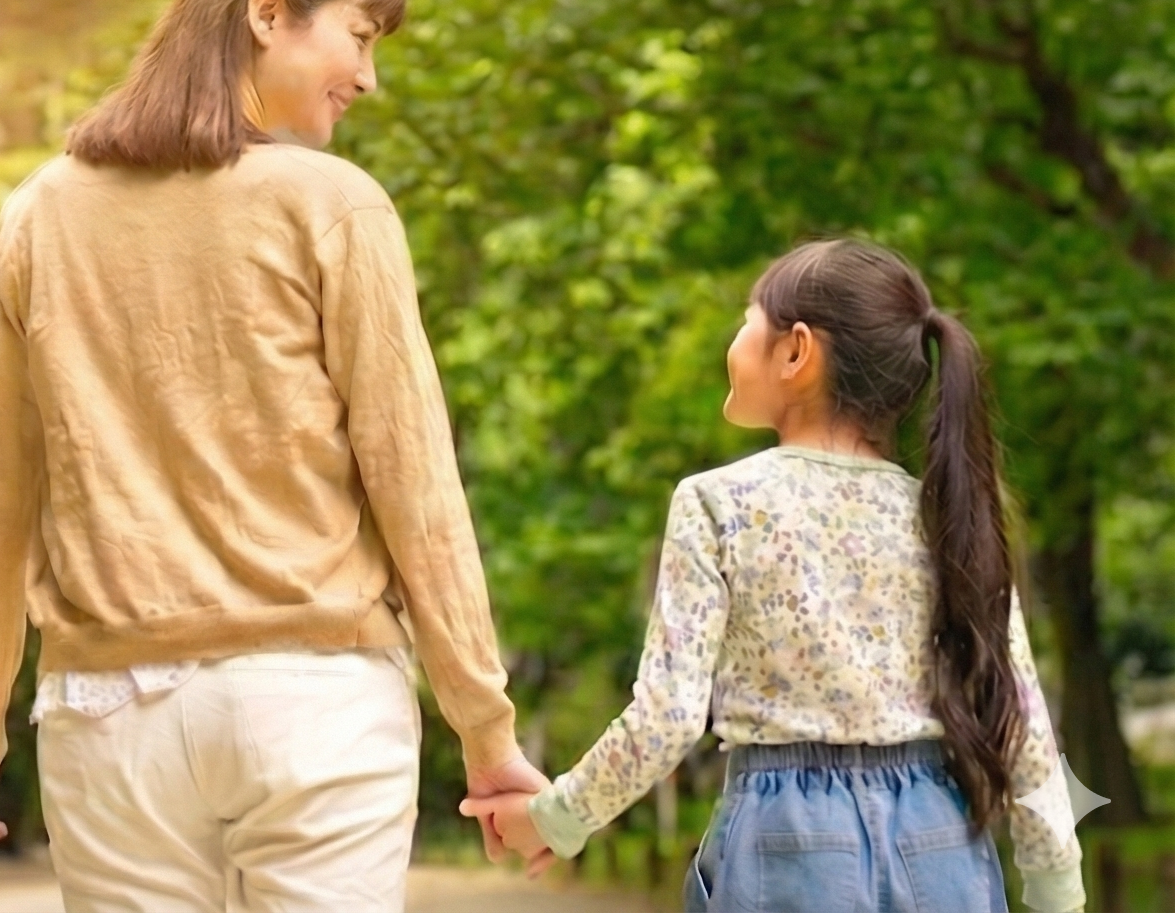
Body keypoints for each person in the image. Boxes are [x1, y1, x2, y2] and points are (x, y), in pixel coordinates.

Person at [0, 0, 543, 910]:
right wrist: (484, 731)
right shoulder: (333, 204)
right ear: (268, 15)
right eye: (357, 34)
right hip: (316, 702)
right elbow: (414, 483)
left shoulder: (40, 210)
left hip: (108, 712)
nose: (369, 75)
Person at [466, 237, 1087, 913]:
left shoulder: (718, 503)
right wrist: (1057, 888)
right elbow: (1019, 720)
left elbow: (669, 718)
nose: (733, 341)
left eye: (745, 320)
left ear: (795, 351)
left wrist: (556, 818)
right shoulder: (949, 517)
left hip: (788, 842)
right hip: (939, 838)